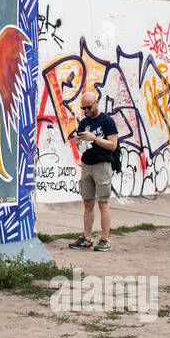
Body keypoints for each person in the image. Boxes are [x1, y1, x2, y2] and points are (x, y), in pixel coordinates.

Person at [67, 92, 119, 251]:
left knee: (103, 202)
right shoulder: (84, 122)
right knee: (88, 202)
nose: (86, 111)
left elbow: (113, 145)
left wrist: (94, 138)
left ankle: (105, 239)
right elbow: (81, 144)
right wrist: (78, 143)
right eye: (83, 108)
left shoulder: (107, 121)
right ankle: (87, 238)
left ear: (96, 103)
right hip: (87, 163)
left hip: (102, 163)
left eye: (88, 107)